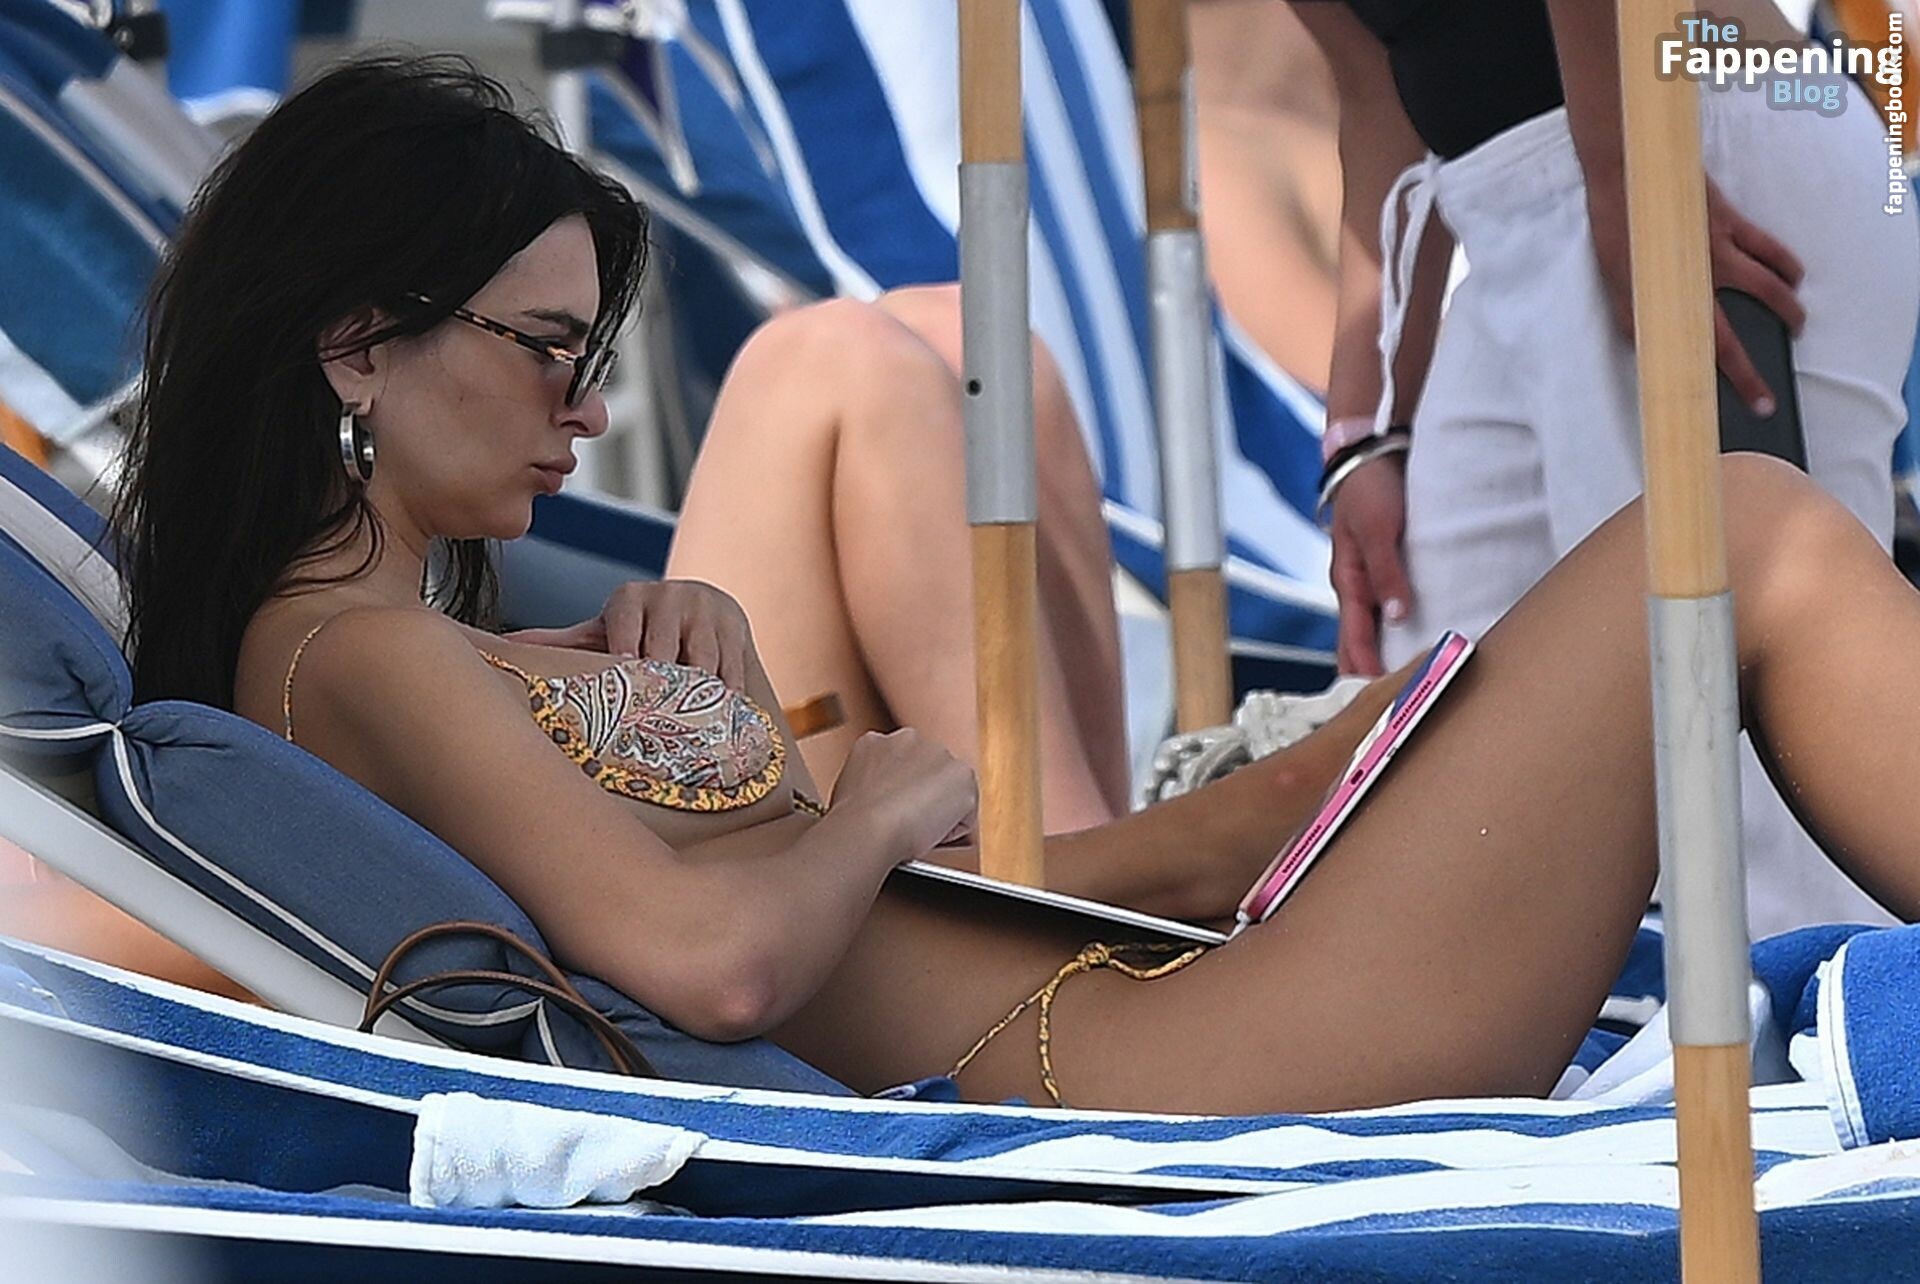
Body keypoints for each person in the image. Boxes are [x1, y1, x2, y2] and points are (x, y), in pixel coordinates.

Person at [112, 55, 1920, 1116]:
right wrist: (874, 799)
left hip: (1166, 1025)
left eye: (590, 359)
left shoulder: (405, 657)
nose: (586, 410)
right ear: (359, 342)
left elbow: (734, 918)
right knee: (1737, 533)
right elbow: (719, 968)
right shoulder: (355, 655)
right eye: (544, 349)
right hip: (1173, 1067)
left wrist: (709, 688)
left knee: (1718, 546)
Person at [1292, 0, 1920, 935]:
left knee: (1756, 771)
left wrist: (1629, 171)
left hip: (1693, 127)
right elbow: (1381, 95)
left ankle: (1846, 1018)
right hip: (1517, 208)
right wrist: (1364, 436)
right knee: (1439, 751)